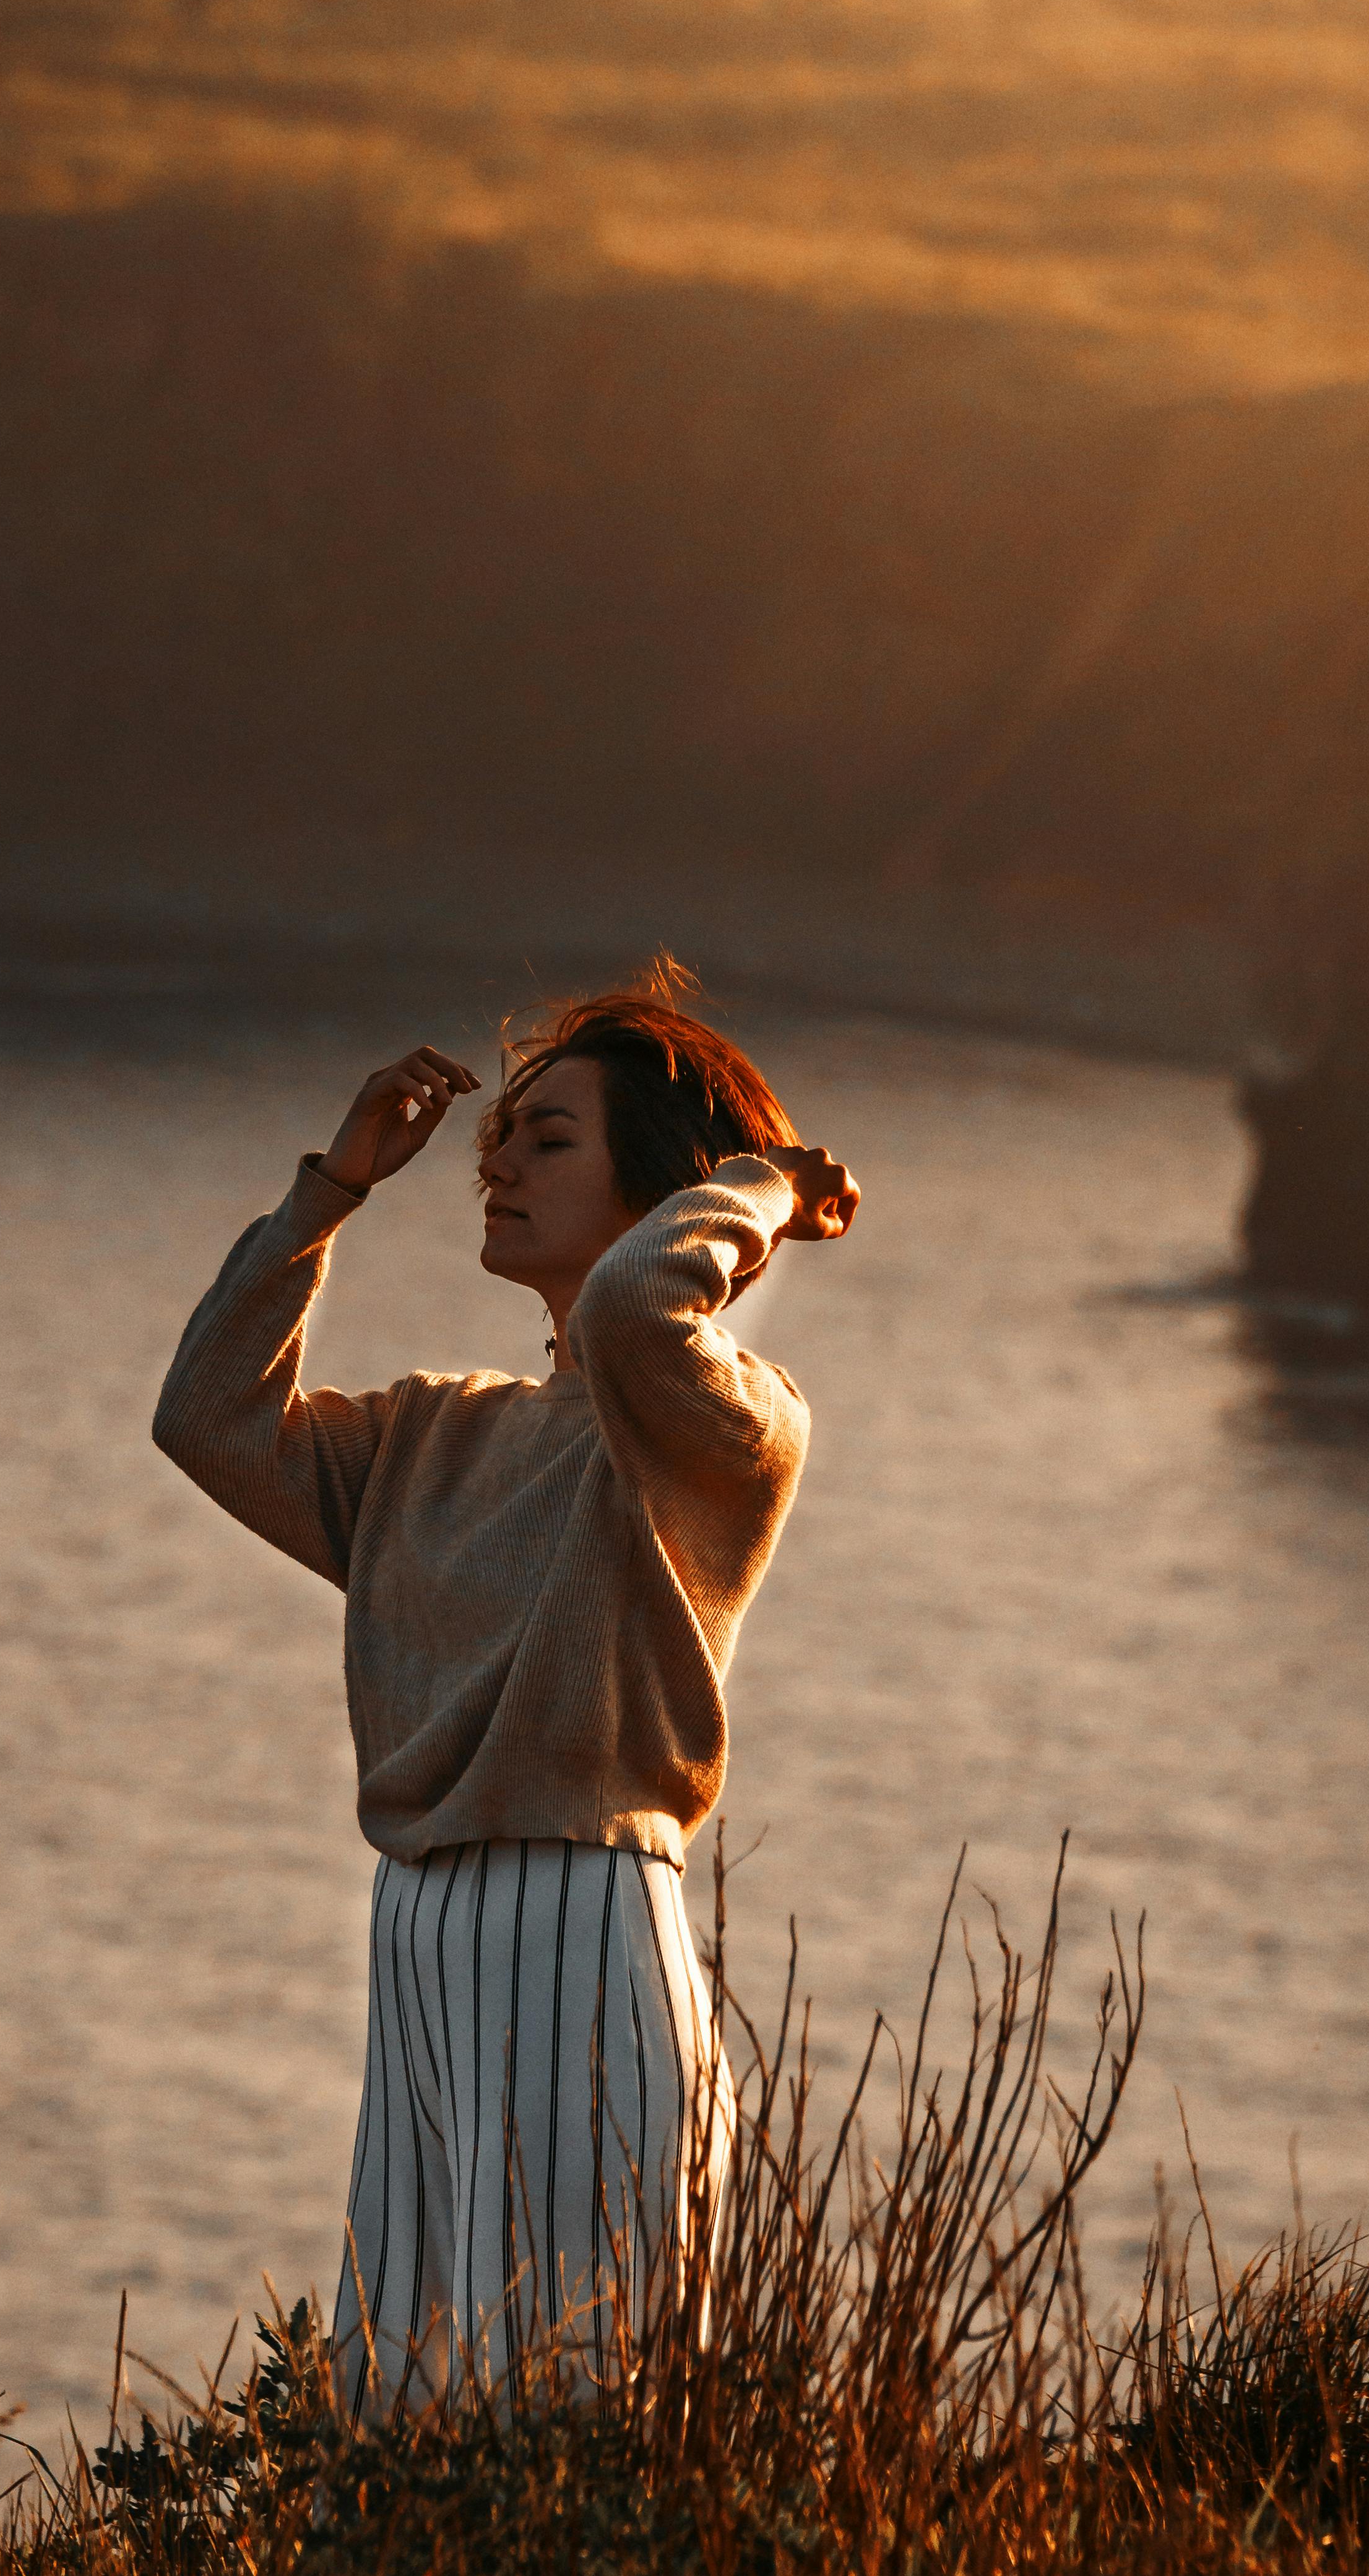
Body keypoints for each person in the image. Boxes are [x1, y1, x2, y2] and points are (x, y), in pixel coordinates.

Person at [152, 970, 857, 2415]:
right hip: (417, 1941)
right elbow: (206, 1415)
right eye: (499, 1139)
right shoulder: (433, 1436)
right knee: (400, 2411)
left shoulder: (727, 1421)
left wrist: (763, 1187)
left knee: (577, 2402)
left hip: (578, 1916)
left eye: (549, 1139)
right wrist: (332, 1189)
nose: (499, 1165)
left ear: (666, 1184)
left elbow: (636, 1310)